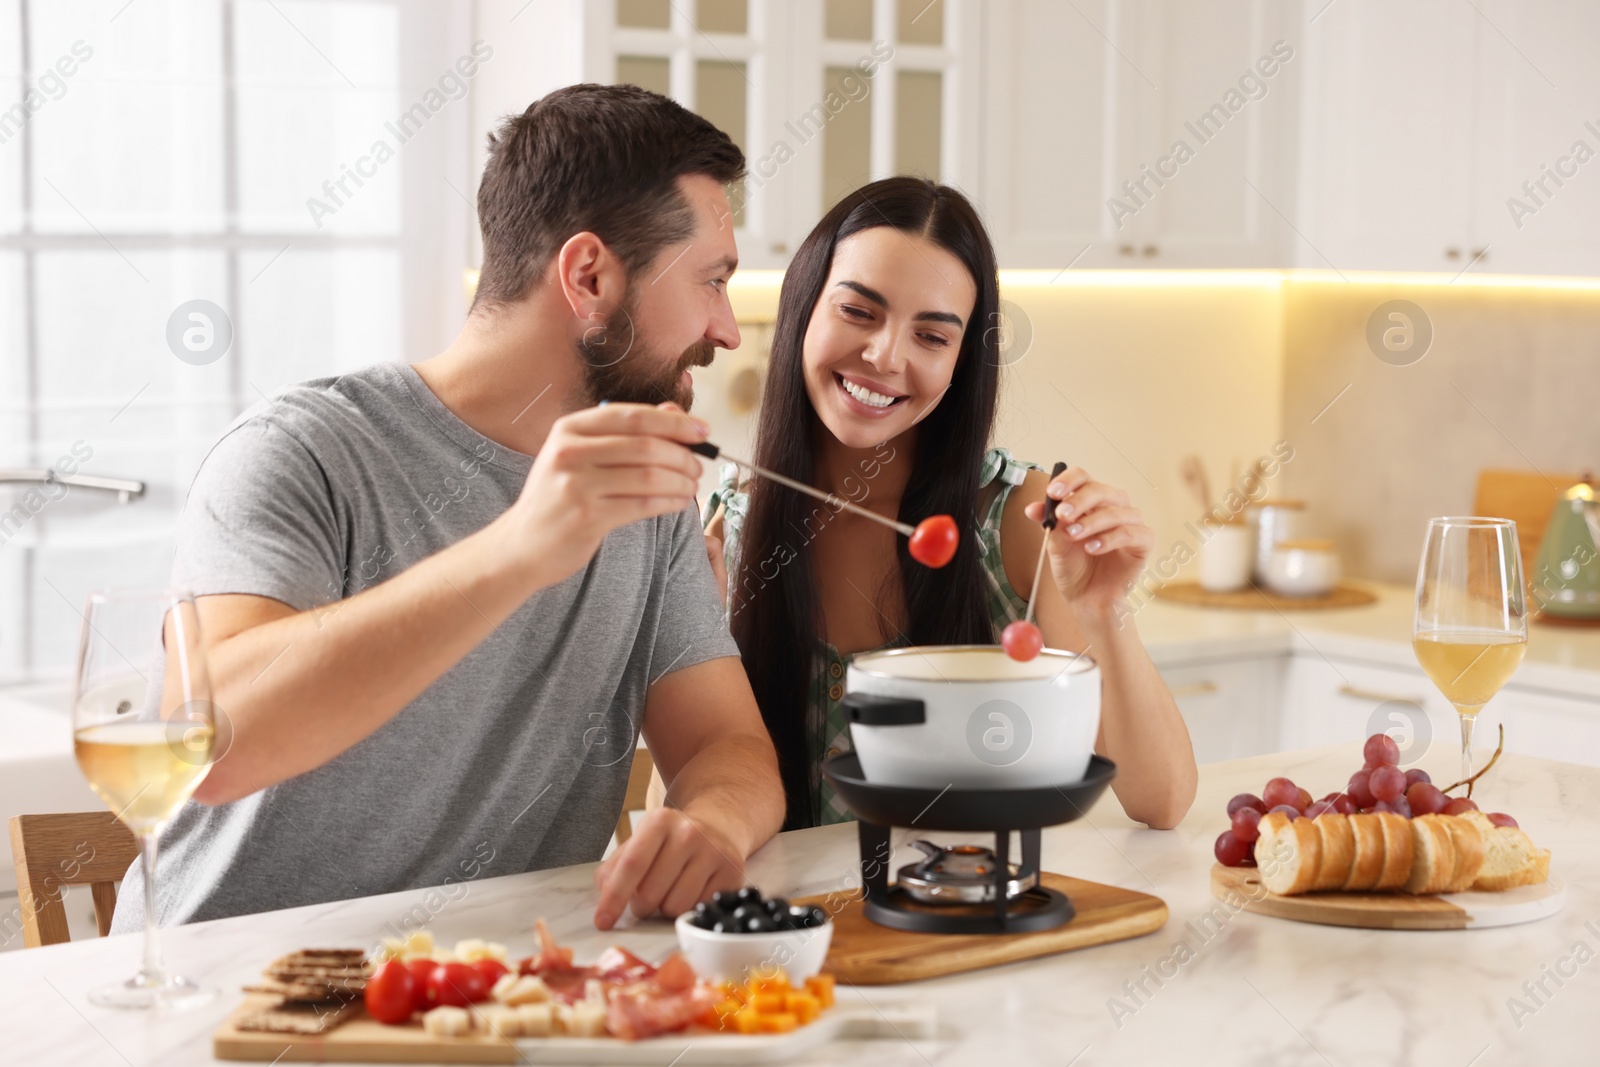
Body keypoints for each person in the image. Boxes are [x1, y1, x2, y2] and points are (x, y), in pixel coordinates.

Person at [110, 84, 784, 934]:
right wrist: (523, 547)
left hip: (479, 1007)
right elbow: (210, 743)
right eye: (713, 282)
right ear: (589, 276)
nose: (726, 329)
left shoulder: (647, 496)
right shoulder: (305, 450)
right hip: (224, 1014)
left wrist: (714, 819)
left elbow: (730, 747)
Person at [705, 177, 1197, 831]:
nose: (885, 356)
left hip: (968, 925)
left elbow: (1161, 801)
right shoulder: (727, 533)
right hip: (792, 928)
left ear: (964, 360)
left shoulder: (1020, 523)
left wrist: (1104, 610)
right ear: (803, 307)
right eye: (858, 311)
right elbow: (689, 812)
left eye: (932, 337)